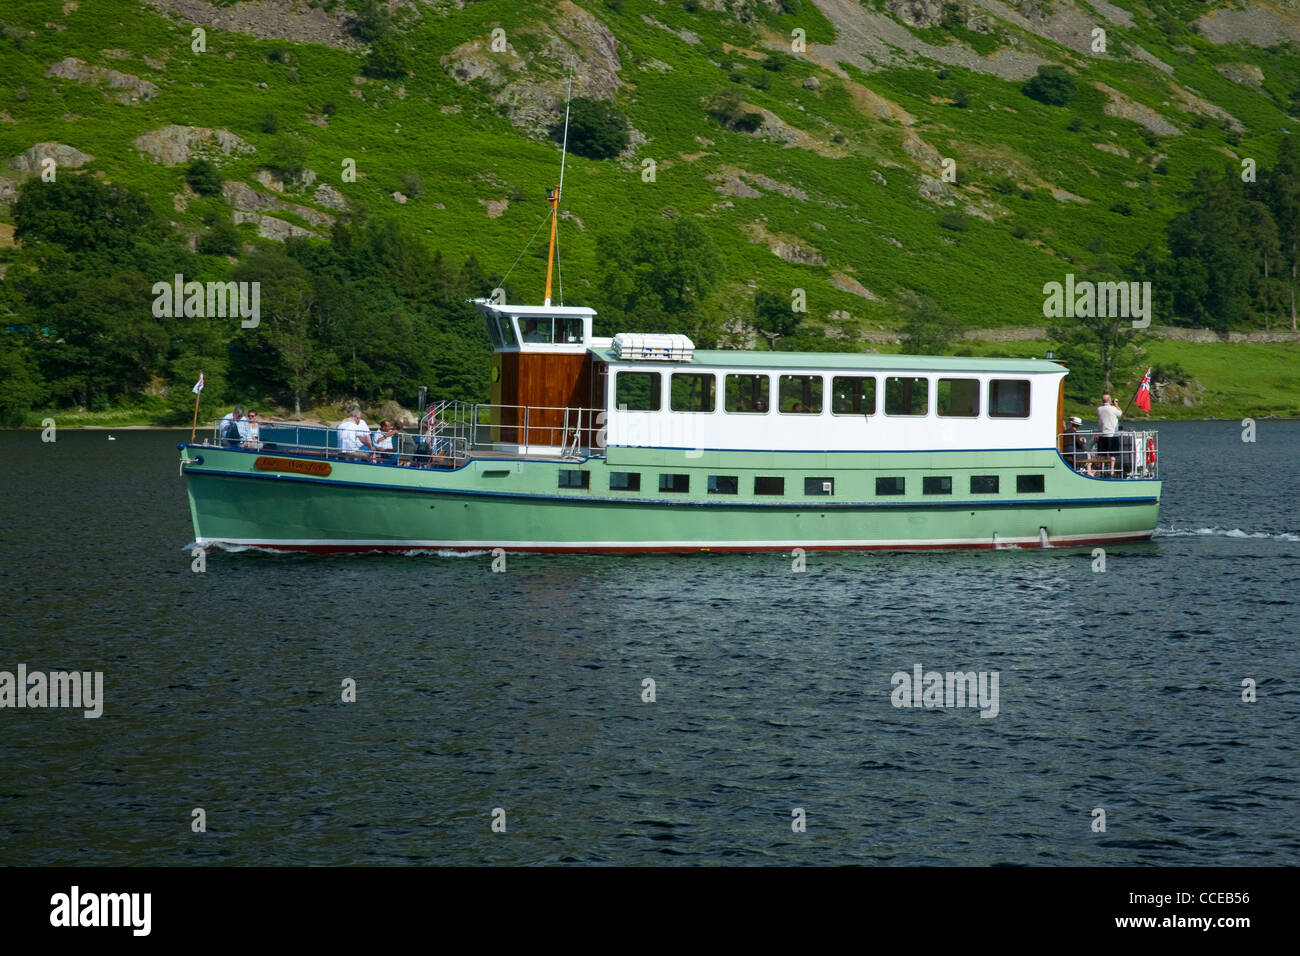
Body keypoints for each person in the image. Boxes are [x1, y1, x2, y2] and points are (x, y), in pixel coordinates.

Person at [1096, 393, 1123, 475]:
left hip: (1102, 434)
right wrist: (1116, 404)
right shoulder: (1112, 408)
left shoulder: (1099, 409)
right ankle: (1111, 471)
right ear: (1109, 400)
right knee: (1112, 455)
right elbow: (1120, 413)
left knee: (1102, 455)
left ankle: (1102, 470)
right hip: (1112, 434)